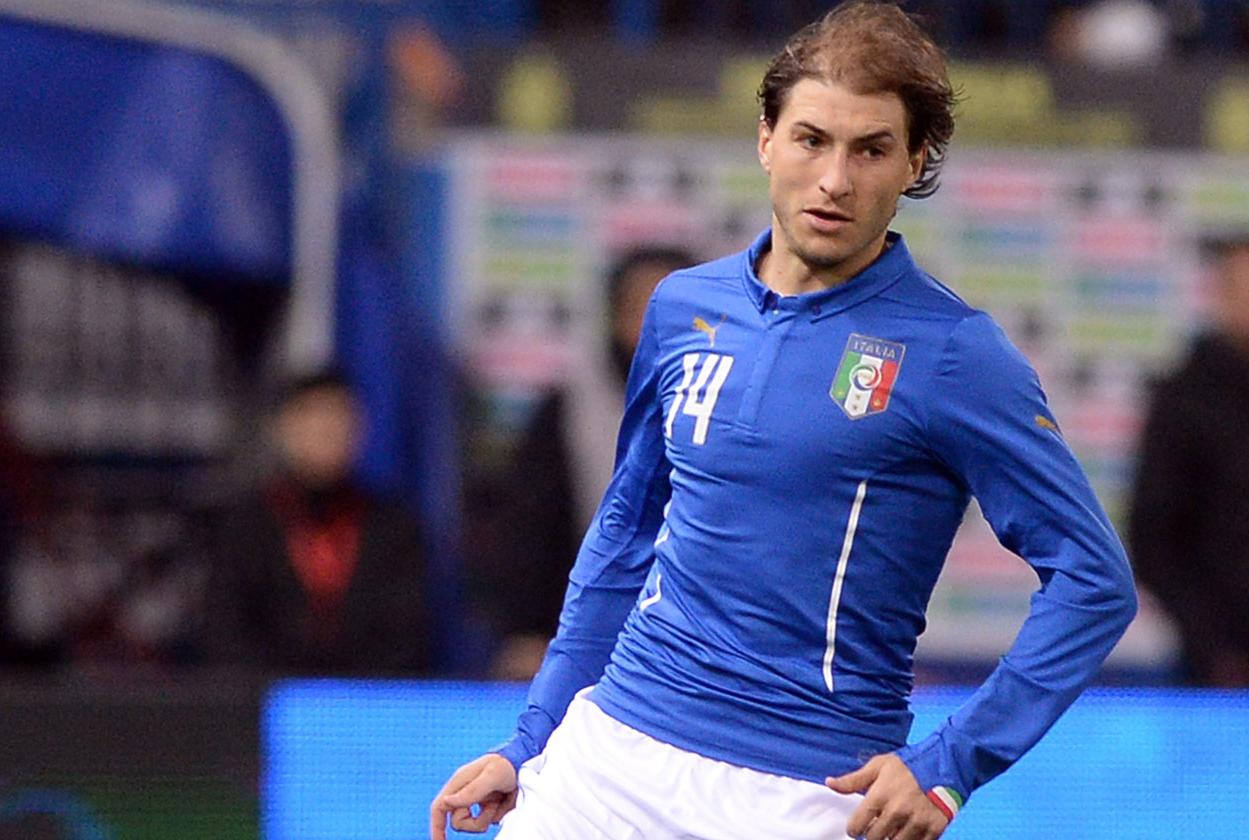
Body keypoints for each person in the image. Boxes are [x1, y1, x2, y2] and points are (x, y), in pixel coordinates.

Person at [431, 3, 1136, 838]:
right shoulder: (682, 307)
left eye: (871, 149)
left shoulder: (955, 354)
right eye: (812, 139)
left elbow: (1094, 582)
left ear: (915, 162)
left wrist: (952, 763)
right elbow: (626, 532)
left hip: (804, 791)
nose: (835, 179)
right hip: (608, 756)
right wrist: (533, 737)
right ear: (766, 137)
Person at [474, 246, 697, 681]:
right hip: (586, 639)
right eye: (641, 309)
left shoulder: (731, 405)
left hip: (698, 642)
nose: (657, 327)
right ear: (615, 316)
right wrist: (525, 631)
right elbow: (529, 531)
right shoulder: (568, 408)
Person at [207, 370, 431, 675]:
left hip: (368, 706)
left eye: (338, 417)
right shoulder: (247, 525)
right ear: (282, 428)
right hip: (265, 703)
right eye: (310, 416)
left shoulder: (392, 527)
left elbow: (407, 637)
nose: (325, 430)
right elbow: (226, 630)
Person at [1129, 236, 1249, 687]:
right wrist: (1213, 645)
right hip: (1218, 663)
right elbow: (1154, 536)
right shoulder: (1185, 398)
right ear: (1220, 296)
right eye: (1243, 291)